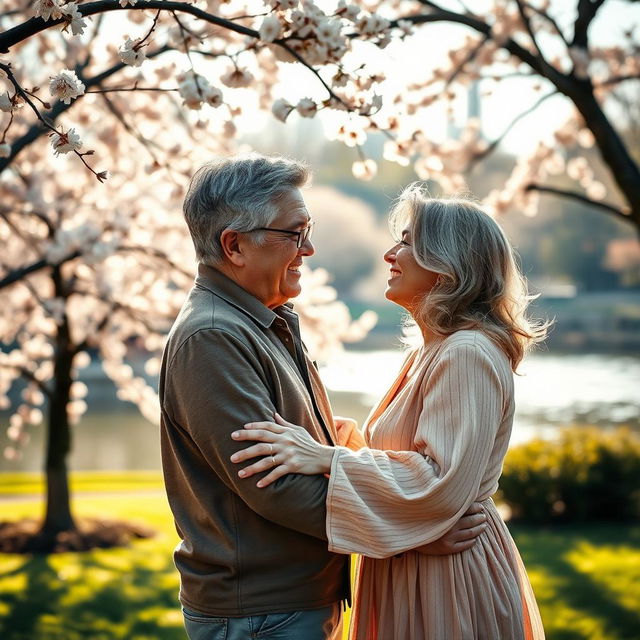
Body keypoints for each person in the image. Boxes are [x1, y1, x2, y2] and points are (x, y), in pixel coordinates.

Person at [159, 156, 486, 640]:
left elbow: (299, 445)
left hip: (288, 605)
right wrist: (412, 534)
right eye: (294, 234)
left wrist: (338, 449)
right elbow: (275, 485)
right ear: (235, 246)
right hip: (260, 614)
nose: (309, 248)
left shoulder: (265, 321)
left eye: (307, 230)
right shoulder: (213, 336)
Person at [230, 186, 548, 639]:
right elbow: (406, 454)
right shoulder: (434, 349)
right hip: (419, 562)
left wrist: (328, 459)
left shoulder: (467, 352)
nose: (389, 254)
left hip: (446, 578)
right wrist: (330, 437)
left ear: (446, 264)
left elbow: (438, 480)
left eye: (407, 242)